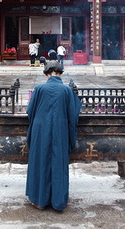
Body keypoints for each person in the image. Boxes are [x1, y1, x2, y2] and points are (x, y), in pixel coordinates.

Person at [25, 61, 82, 211]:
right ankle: (58, 202)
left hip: (40, 129)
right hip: (60, 129)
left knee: (40, 160)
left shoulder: (39, 88)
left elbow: (30, 111)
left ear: (47, 74)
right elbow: (73, 115)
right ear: (60, 73)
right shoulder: (66, 90)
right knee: (58, 161)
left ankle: (39, 200)